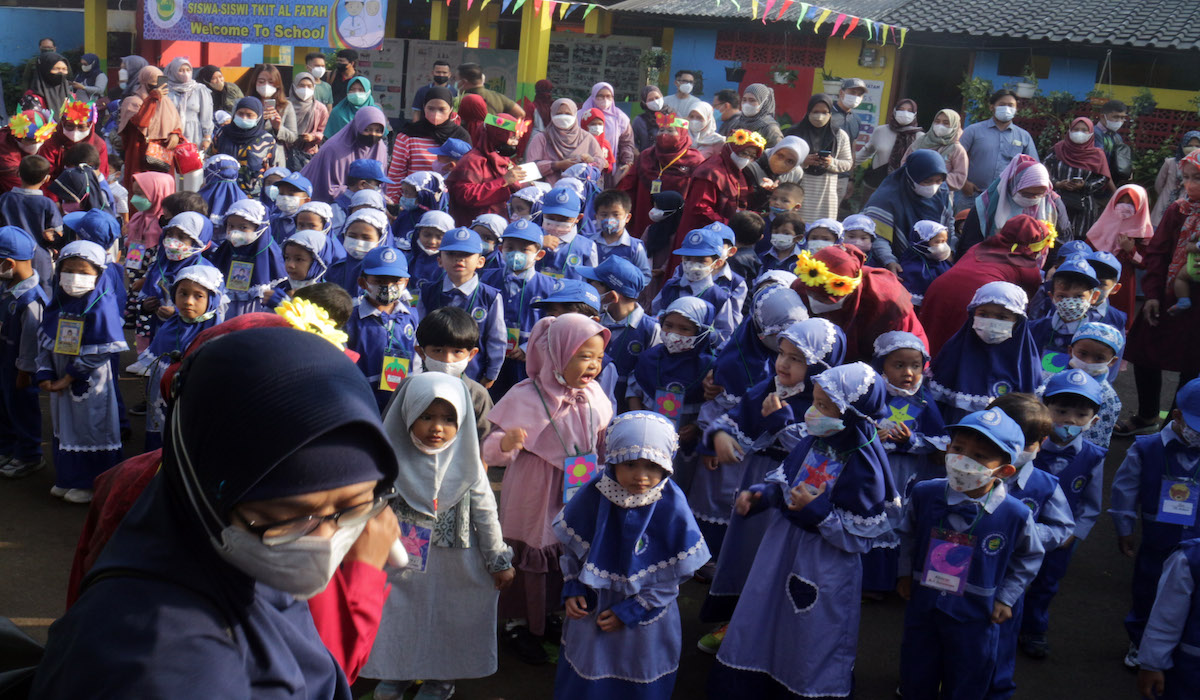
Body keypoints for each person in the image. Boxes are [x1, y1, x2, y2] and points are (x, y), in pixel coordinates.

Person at [31, 324, 404, 697]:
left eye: (354, 507)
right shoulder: (163, 665)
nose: (324, 540)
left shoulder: (242, 561)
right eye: (291, 515)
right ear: (205, 490)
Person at [710, 361, 896, 697]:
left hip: (822, 561)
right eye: (814, 401)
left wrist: (819, 513)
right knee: (765, 612)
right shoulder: (814, 440)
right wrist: (764, 496)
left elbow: (857, 538)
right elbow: (787, 481)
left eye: (824, 406)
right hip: (781, 547)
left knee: (810, 628)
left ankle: (804, 685)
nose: (812, 412)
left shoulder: (862, 464)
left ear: (852, 414)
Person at [364, 371, 512, 700]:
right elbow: (368, 508)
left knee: (449, 616)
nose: (437, 427)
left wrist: (497, 558)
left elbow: (486, 513)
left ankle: (441, 678)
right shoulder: (388, 463)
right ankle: (396, 670)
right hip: (400, 562)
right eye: (426, 416)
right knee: (399, 615)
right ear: (407, 414)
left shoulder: (468, 466)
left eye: (448, 419)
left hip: (457, 564)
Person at [481, 313, 611, 662]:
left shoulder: (594, 395)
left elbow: (601, 440)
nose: (593, 365)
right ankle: (518, 623)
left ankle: (550, 613)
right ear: (558, 354)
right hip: (534, 489)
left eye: (599, 357)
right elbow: (490, 450)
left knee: (564, 549)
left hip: (578, 486)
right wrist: (506, 443)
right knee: (534, 548)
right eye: (584, 356)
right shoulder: (527, 395)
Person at [552, 410, 709, 699]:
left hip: (644, 618)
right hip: (593, 606)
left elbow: (674, 574)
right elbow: (572, 546)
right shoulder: (595, 494)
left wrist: (634, 609)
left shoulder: (671, 505)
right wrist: (573, 584)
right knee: (588, 669)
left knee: (637, 675)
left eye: (652, 465)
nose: (641, 476)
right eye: (630, 464)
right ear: (613, 459)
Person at [896, 407, 1044, 700]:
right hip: (924, 605)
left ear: (1004, 471)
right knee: (916, 669)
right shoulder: (925, 493)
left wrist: (1006, 597)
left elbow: (1029, 556)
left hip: (977, 614)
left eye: (979, 456)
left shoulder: (1014, 514)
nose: (963, 460)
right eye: (958, 449)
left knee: (968, 677)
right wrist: (904, 573)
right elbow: (908, 535)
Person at [1110, 378, 1200, 669]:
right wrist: (1125, 527)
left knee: (1190, 596)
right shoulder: (1147, 448)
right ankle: (1139, 641)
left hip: (1196, 544)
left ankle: (1180, 646)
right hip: (1158, 539)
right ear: (1177, 416)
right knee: (1147, 589)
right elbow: (1125, 489)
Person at [1020, 370, 1107, 659]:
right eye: (1060, 411)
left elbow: (1091, 504)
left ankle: (1034, 628)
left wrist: (1075, 533)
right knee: (1012, 574)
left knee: (1047, 582)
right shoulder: (1027, 448)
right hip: (1022, 527)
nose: (1069, 420)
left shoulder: (1093, 456)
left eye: (1081, 415)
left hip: (1062, 539)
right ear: (1043, 409)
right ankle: (1003, 619)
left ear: (1094, 421)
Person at [35, 240, 128, 504]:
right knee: (65, 428)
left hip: (89, 383)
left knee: (91, 427)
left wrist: (70, 375)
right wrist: (45, 373)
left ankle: (91, 482)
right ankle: (69, 478)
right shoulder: (58, 303)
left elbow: (100, 351)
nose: (74, 277)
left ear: (98, 274)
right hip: (60, 381)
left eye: (83, 272)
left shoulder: (102, 305)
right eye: (68, 270)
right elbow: (44, 341)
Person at [920, 215, 1052, 355]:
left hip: (939, 289)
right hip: (975, 300)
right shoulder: (1028, 270)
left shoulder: (979, 247)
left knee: (930, 345)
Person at [138, 266, 226, 451]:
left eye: (198, 296)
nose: (188, 302)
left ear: (212, 299)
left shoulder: (215, 333)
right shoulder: (169, 327)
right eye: (183, 293)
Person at [792, 244, 927, 363]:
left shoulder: (885, 300)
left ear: (850, 289)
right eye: (813, 295)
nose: (817, 302)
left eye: (827, 299)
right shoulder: (802, 287)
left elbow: (902, 355)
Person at [929, 281, 1041, 423]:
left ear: (1017, 321)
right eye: (983, 314)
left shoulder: (1025, 360)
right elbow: (935, 405)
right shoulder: (954, 350)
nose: (991, 322)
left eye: (1002, 317)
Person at [418, 228, 506, 387]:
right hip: (431, 373)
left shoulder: (490, 297)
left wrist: (491, 374)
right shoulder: (427, 292)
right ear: (439, 260)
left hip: (473, 376)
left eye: (466, 254)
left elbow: (496, 339)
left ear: (480, 261)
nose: (459, 259)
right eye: (451, 254)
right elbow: (419, 334)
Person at [340, 245, 416, 411]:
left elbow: (418, 359)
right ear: (363, 282)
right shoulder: (350, 319)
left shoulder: (412, 316)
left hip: (404, 401)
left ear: (406, 283)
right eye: (379, 281)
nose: (388, 287)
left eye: (395, 281)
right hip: (363, 400)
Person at [672, 130, 763, 262]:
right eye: (743, 153)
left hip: (723, 236)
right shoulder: (710, 172)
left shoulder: (738, 172)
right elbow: (700, 208)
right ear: (731, 148)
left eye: (752, 156)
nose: (746, 159)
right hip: (700, 235)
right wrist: (730, 224)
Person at [956, 153, 1070, 259]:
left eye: (1039, 195)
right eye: (1026, 194)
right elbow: (969, 245)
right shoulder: (987, 205)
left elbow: (1062, 244)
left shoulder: (1052, 204)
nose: (1033, 199)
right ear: (1013, 186)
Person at [0, 226, 47, 478]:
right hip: (5, 360)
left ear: (8, 263)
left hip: (20, 369)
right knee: (5, 406)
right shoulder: (8, 286)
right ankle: (7, 448)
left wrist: (25, 371)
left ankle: (29, 455)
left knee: (22, 409)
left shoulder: (31, 300)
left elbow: (31, 342)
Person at [862, 149, 953, 274]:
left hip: (935, 261)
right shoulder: (887, 197)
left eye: (938, 181)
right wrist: (889, 261)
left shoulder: (942, 192)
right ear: (912, 176)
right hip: (896, 264)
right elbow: (878, 236)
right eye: (927, 181)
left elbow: (949, 223)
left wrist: (950, 250)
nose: (933, 186)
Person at [618, 112, 704, 238]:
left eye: (670, 130)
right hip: (644, 214)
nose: (664, 135)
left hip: (676, 219)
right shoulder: (646, 156)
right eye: (661, 130)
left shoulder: (694, 160)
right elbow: (629, 186)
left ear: (682, 133)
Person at [1086, 183, 1153, 327]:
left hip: (1123, 282)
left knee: (1116, 318)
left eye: (1131, 203)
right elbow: (1086, 251)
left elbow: (1145, 263)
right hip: (1094, 278)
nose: (1125, 206)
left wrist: (1131, 250)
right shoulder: (1101, 225)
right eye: (1121, 201)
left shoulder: (1142, 233)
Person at [958, 89, 1039, 208]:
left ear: (1016, 109)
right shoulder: (973, 131)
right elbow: (955, 158)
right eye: (1002, 104)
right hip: (972, 195)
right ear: (992, 107)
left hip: (1006, 199)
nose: (1006, 108)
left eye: (1011, 105)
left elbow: (1033, 167)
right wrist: (963, 183)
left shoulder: (1024, 136)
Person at [210, 199, 284, 318]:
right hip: (227, 308)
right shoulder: (224, 252)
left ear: (259, 228)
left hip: (256, 311)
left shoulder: (271, 254)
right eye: (231, 226)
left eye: (243, 227)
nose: (235, 232)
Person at [446, 113, 524, 225]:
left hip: (498, 224)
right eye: (512, 138)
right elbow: (465, 195)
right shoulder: (472, 160)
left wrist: (523, 185)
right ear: (497, 135)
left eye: (517, 139)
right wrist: (503, 181)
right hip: (475, 225)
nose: (515, 143)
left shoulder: (504, 160)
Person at [301, 106, 389, 204]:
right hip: (326, 204)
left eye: (378, 131)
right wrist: (361, 196)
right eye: (367, 129)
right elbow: (331, 188)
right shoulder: (334, 148)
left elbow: (381, 184)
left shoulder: (380, 149)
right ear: (357, 127)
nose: (373, 134)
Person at [0, 153, 61, 292]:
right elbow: (57, 234)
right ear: (46, 178)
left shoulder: (4, 199)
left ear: (18, 173)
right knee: (41, 294)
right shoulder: (47, 204)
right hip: (38, 258)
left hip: (7, 256)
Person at [787, 94, 853, 222]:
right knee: (796, 225)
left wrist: (831, 162)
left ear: (830, 114)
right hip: (799, 188)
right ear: (808, 112)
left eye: (824, 112)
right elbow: (783, 161)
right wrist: (802, 161)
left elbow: (847, 163)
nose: (819, 116)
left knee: (823, 228)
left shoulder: (839, 135)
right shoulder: (794, 133)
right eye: (815, 112)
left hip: (826, 192)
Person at [1044, 117, 1114, 235]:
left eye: (1084, 130)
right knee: (1053, 235)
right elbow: (1043, 171)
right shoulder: (1058, 149)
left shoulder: (1097, 155)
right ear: (1070, 130)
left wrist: (1085, 185)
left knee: (1079, 238)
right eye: (1076, 129)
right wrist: (1057, 183)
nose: (1079, 133)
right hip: (1056, 202)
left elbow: (1103, 178)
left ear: (1091, 132)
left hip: (1083, 206)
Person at [118, 66, 184, 191]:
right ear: (144, 83)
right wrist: (151, 100)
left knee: (163, 189)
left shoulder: (166, 102)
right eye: (153, 84)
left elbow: (177, 124)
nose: (156, 87)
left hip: (163, 156)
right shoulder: (132, 101)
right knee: (141, 190)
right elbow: (141, 122)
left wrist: (175, 135)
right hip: (140, 154)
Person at [525, 99, 605, 186]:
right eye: (559, 113)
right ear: (552, 114)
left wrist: (591, 160)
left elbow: (601, 163)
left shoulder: (587, 138)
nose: (563, 117)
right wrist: (558, 165)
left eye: (568, 114)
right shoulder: (542, 138)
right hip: (547, 190)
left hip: (580, 189)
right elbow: (530, 168)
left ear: (575, 114)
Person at [213, 97, 276, 196]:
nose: (244, 118)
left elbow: (271, 169)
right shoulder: (222, 133)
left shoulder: (267, 140)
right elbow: (212, 159)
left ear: (259, 116)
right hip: (223, 192)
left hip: (252, 196)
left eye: (249, 115)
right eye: (240, 113)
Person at [856, 97, 922, 189]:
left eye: (910, 111)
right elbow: (865, 152)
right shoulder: (881, 131)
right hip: (876, 185)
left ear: (915, 114)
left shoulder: (920, 137)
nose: (905, 113)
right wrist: (846, 168)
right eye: (901, 109)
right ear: (895, 111)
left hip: (904, 187)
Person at [41, 98, 109, 182]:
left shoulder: (99, 145)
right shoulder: (51, 144)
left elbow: (100, 177)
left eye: (81, 127)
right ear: (62, 124)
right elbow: (44, 176)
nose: (75, 131)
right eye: (69, 126)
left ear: (91, 126)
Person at [903, 108, 969, 192]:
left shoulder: (956, 149)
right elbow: (905, 163)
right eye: (937, 121)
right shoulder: (920, 141)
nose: (940, 125)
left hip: (940, 193)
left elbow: (959, 177)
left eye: (946, 123)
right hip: (912, 190)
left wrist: (934, 179)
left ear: (954, 126)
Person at [582, 83, 636, 183]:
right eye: (600, 96)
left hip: (610, 168)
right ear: (593, 96)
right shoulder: (582, 114)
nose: (605, 99)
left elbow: (626, 143)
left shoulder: (620, 117)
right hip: (584, 166)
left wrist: (627, 162)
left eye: (608, 96)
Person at [163, 57, 213, 153]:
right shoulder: (166, 90)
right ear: (173, 72)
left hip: (194, 134)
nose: (185, 73)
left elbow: (206, 115)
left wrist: (207, 138)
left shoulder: (199, 89)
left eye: (188, 70)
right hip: (171, 134)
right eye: (181, 70)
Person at [898, 220, 953, 307]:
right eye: (939, 242)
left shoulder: (944, 263)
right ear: (923, 242)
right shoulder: (912, 269)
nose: (944, 246)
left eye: (945, 241)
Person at [1152, 131, 1200, 226]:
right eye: (1189, 145)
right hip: (1164, 205)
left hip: (1185, 209)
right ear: (1182, 146)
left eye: (1197, 146)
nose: (1193, 148)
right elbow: (1158, 185)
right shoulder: (1170, 163)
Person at [285, 71, 329, 171]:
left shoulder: (320, 108)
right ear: (294, 86)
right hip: (285, 152)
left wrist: (313, 136)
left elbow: (325, 132)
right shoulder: (284, 105)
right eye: (301, 85)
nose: (305, 89)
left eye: (309, 86)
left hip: (308, 154)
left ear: (314, 88)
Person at [721, 84, 783, 149]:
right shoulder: (736, 123)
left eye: (752, 100)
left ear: (763, 103)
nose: (747, 104)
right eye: (744, 100)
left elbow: (778, 152)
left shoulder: (770, 129)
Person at [456, 62, 523, 118]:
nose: (455, 83)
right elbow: (521, 113)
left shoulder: (461, 100)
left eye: (456, 79)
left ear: (464, 82)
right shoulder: (498, 97)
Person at [325, 75, 378, 139]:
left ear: (368, 92)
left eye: (361, 90)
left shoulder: (376, 113)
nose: (356, 93)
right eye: (352, 89)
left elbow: (382, 138)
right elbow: (327, 139)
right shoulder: (337, 112)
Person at [1093, 100, 1131, 184]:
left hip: (1111, 181)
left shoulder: (1117, 137)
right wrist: (1113, 188)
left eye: (1122, 118)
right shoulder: (1094, 133)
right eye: (1116, 117)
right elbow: (1100, 164)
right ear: (1102, 116)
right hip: (1096, 181)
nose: (1119, 121)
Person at [632, 85, 666, 152]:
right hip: (646, 157)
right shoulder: (639, 121)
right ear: (645, 103)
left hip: (670, 157)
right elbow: (632, 142)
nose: (655, 101)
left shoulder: (672, 116)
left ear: (662, 96)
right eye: (650, 100)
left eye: (657, 98)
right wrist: (639, 155)